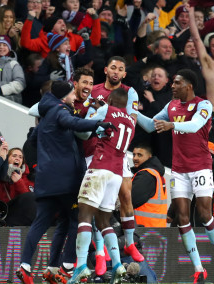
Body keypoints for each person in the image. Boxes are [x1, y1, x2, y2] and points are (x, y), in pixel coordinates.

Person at [17, 81, 113, 284]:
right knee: (77, 219)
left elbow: (31, 142)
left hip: (46, 181)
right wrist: (97, 124)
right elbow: (74, 123)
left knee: (45, 222)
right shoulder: (60, 110)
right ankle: (68, 266)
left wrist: (36, 165)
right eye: (71, 93)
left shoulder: (44, 116)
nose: (73, 96)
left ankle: (29, 265)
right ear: (64, 97)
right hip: (66, 180)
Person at [137, 69, 214, 284]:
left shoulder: (203, 105)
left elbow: (195, 125)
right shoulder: (171, 106)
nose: (172, 86)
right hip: (179, 169)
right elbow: (151, 125)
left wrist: (172, 125)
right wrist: (131, 113)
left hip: (200, 167)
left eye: (176, 83)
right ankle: (198, 268)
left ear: (188, 85)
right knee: (182, 219)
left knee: (205, 215)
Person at [85, 56, 144, 268]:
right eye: (113, 68)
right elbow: (88, 117)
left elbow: (132, 120)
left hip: (118, 150)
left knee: (126, 194)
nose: (116, 71)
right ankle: (100, 250)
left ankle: (129, 242)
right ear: (105, 70)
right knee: (96, 201)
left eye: (120, 69)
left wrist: (107, 115)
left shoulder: (130, 92)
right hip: (94, 151)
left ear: (125, 74)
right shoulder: (94, 90)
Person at [68, 88, 131, 284]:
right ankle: (119, 265)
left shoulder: (106, 111)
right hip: (117, 173)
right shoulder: (130, 120)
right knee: (104, 222)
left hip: (99, 168)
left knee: (85, 217)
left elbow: (85, 133)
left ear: (110, 100)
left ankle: (79, 266)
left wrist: (91, 118)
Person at [131, 142, 168, 227]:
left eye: (139, 155)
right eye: (134, 155)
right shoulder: (156, 174)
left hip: (143, 230)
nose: (135, 158)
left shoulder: (146, 175)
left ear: (149, 157)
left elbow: (129, 200)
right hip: (155, 229)